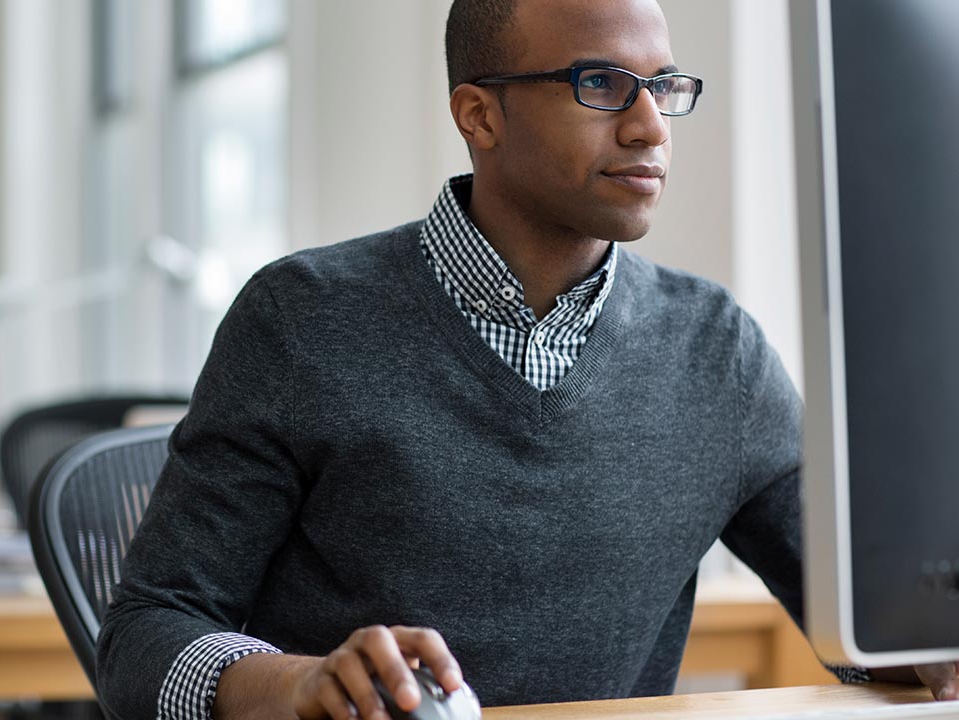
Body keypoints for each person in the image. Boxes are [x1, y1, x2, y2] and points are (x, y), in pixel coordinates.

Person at [99, 1, 959, 718]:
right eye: (600, 84)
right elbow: (147, 634)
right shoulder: (302, 318)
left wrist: (926, 652)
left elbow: (865, 630)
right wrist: (301, 684)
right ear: (479, 115)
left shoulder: (718, 349)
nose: (649, 124)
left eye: (663, 86)